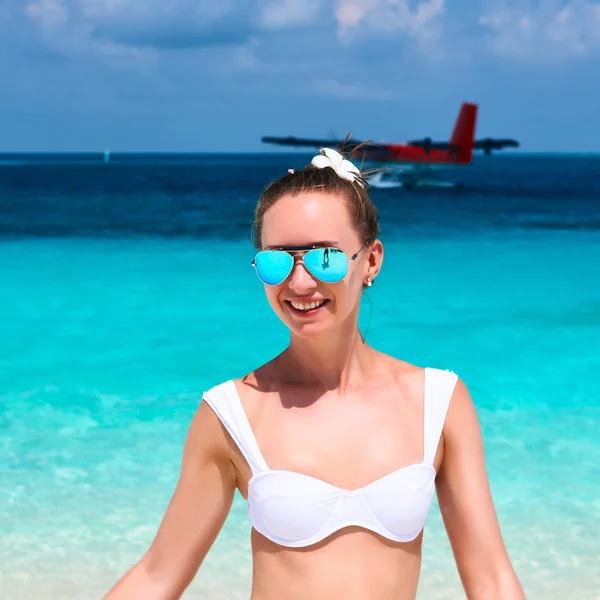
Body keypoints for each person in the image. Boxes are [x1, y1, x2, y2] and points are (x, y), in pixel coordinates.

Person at [105, 148, 525, 600]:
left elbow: (491, 580)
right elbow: (157, 576)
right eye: (276, 261)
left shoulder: (437, 402)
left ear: (372, 261)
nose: (300, 283)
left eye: (325, 258)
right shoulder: (232, 412)